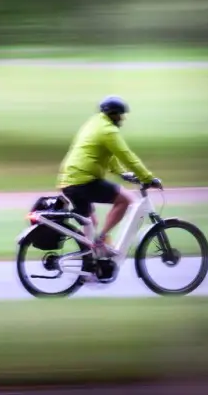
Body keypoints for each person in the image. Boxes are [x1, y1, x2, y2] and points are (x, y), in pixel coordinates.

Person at [57, 96, 163, 270]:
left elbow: (108, 153)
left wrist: (122, 173)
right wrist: (147, 178)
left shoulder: (94, 123)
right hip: (83, 181)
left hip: (69, 181)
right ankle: (100, 242)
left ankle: (90, 264)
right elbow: (127, 156)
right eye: (121, 115)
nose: (122, 119)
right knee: (125, 200)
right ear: (113, 114)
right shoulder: (108, 131)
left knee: (90, 222)